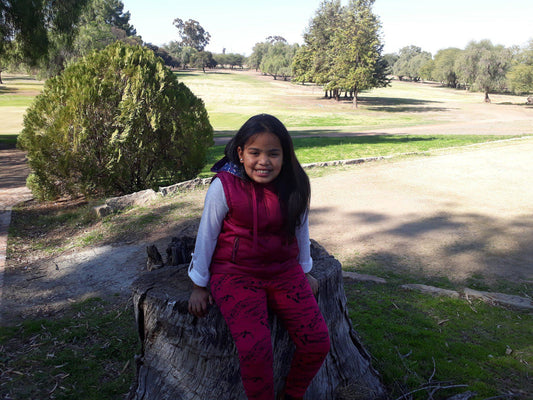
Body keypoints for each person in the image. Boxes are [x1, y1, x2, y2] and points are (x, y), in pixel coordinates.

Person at [188, 114, 330, 400]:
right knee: (255, 350)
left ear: (285, 156)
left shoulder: (295, 185)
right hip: (235, 275)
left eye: (273, 154)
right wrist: (199, 285)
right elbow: (207, 235)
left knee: (317, 342)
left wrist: (305, 271)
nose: (263, 161)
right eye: (255, 152)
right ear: (241, 154)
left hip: (284, 272)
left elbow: (301, 230)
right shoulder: (224, 186)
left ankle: (293, 395)